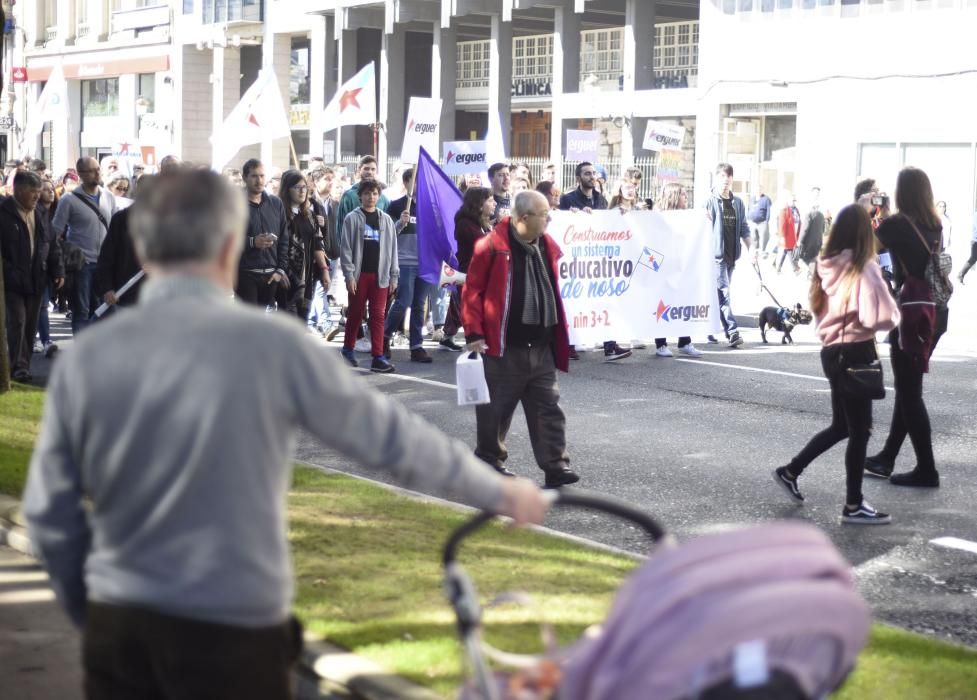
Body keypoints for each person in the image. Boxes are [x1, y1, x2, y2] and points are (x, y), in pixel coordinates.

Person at [23, 169, 548, 700]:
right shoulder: (272, 345)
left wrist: (92, 605)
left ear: (144, 246)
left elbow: (50, 514)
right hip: (237, 623)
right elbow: (386, 437)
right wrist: (498, 492)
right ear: (230, 245)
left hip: (124, 626)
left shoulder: (89, 359)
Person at [773, 205, 899, 524]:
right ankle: (854, 504)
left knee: (843, 426)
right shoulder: (864, 267)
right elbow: (876, 317)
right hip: (856, 351)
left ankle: (791, 471)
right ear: (863, 233)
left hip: (832, 352)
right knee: (860, 431)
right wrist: (892, 310)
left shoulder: (826, 264)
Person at [462, 190, 579, 489]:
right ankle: (488, 460)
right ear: (524, 218)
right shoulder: (490, 246)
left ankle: (556, 467)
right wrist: (474, 333)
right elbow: (472, 291)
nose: (549, 217)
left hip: (541, 345)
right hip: (503, 347)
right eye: (544, 213)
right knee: (496, 411)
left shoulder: (546, 245)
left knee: (549, 410)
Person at [864, 167, 946, 488]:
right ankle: (886, 457)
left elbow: (865, 246)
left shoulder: (897, 224)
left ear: (901, 192)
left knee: (910, 393)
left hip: (911, 313)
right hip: (935, 313)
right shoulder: (934, 223)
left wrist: (867, 210)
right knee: (909, 388)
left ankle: (927, 470)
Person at [559, 162, 628, 361]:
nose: (592, 176)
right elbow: (561, 224)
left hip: (596, 258)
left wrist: (618, 215)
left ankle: (610, 346)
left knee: (605, 300)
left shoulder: (601, 199)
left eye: (593, 173)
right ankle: (568, 344)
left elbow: (606, 224)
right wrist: (574, 215)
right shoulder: (568, 199)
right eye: (587, 173)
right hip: (576, 260)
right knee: (574, 302)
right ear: (578, 178)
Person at [1, 170, 65, 383]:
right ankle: (17, 367)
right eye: (33, 192)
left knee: (30, 325)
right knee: (17, 321)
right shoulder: (3, 212)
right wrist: (8, 271)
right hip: (11, 281)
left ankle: (23, 365)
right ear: (18, 190)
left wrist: (58, 270)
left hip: (37, 278)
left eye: (39, 191)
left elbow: (52, 243)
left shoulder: (40, 213)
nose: (38, 196)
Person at [51, 157, 118, 334]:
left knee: (103, 309)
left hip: (105, 264)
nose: (97, 173)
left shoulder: (108, 196)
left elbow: (115, 229)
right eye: (92, 170)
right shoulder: (69, 200)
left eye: (98, 169)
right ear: (80, 174)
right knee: (81, 310)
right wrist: (60, 260)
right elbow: (55, 232)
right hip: (82, 264)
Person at [339, 179, 398, 373]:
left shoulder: (386, 220)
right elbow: (346, 248)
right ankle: (348, 349)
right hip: (359, 275)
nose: (370, 197)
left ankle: (378, 356)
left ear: (379, 196)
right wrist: (349, 275)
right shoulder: (352, 218)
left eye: (374, 193)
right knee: (355, 313)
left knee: (378, 316)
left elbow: (393, 249)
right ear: (360, 196)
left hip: (380, 275)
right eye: (366, 194)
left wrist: (393, 276)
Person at [383, 168, 433, 363]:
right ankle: (384, 338)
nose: (421, 184)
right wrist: (400, 224)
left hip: (425, 262)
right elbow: (387, 236)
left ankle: (416, 346)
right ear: (406, 182)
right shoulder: (396, 206)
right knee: (403, 301)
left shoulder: (429, 207)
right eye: (416, 180)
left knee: (419, 305)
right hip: (404, 261)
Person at [703, 162, 752, 348]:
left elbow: (744, 228)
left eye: (728, 176)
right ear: (717, 178)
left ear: (732, 179)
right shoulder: (709, 201)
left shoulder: (737, 203)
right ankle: (732, 331)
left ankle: (709, 327)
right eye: (722, 176)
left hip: (732, 256)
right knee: (724, 293)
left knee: (719, 295)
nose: (726, 180)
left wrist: (752, 249)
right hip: (717, 258)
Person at [653, 183, 702, 359]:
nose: (686, 198)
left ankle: (685, 341)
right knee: (662, 305)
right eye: (683, 195)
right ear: (673, 197)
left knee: (683, 303)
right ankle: (660, 343)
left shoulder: (687, 216)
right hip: (664, 267)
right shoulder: (658, 216)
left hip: (682, 267)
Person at [236, 158, 290, 308]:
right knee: (247, 325)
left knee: (261, 324)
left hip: (270, 275)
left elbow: (284, 239)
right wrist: (252, 242)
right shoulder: (234, 203)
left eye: (262, 176)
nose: (259, 180)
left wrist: (280, 270)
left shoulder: (275, 203)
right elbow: (226, 239)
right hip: (245, 274)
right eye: (254, 176)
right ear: (244, 177)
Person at [279, 169, 329, 321]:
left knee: (302, 321)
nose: (302, 191)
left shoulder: (310, 215)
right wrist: (280, 270)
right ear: (287, 189)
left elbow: (317, 245)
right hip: (286, 276)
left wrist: (324, 270)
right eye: (297, 187)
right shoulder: (279, 214)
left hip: (308, 276)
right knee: (287, 322)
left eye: (304, 187)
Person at [337, 156, 389, 232]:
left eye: (373, 169)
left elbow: (388, 226)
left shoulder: (383, 198)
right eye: (366, 168)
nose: (370, 172)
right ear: (359, 170)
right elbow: (341, 226)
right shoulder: (348, 196)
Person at [797, 188, 827, 277]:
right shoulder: (821, 214)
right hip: (818, 240)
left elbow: (805, 228)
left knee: (805, 257)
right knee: (813, 258)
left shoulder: (809, 214)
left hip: (809, 241)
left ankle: (812, 273)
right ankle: (811, 273)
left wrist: (800, 240)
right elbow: (823, 228)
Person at [775, 193, 802, 274]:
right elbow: (781, 224)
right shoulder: (783, 210)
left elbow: (797, 221)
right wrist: (782, 237)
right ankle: (795, 269)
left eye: (794, 200)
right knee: (789, 250)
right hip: (786, 235)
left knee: (785, 251)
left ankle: (777, 267)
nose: (794, 202)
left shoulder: (793, 209)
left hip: (791, 234)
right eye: (792, 200)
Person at [748, 191, 773, 258]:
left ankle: (763, 252)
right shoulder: (752, 198)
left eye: (760, 189)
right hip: (753, 222)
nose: (758, 191)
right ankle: (756, 251)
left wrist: (767, 220)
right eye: (757, 189)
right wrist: (748, 217)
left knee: (763, 238)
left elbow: (768, 210)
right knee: (753, 237)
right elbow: (749, 208)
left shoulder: (766, 199)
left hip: (762, 222)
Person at [958, 212, 977, 284]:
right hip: (975, 240)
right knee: (973, 258)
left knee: (973, 259)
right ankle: (961, 274)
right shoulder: (976, 215)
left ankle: (961, 274)